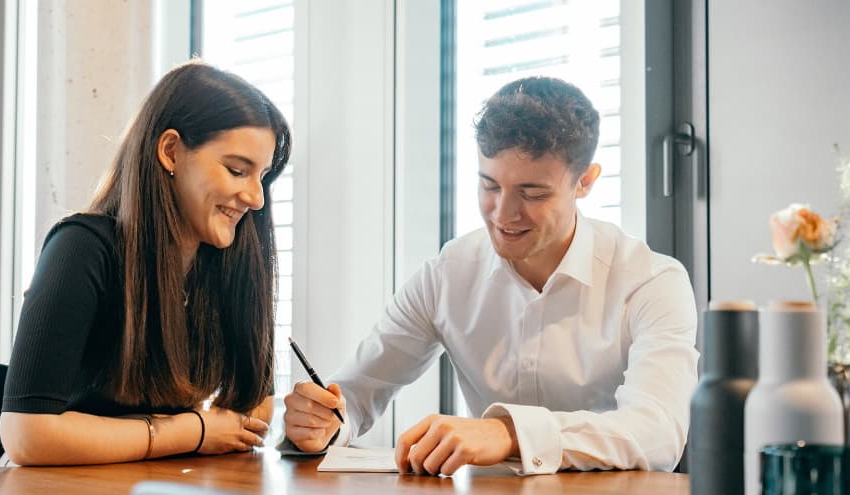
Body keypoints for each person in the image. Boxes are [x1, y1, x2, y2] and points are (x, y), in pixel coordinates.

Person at [283, 76, 699, 476]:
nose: (503, 214)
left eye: (532, 194)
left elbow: (658, 432)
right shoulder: (448, 274)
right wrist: (323, 422)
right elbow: (354, 395)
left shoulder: (652, 281)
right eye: (489, 186)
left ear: (585, 182)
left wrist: (508, 434)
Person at [0, 61, 291, 466]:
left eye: (262, 176)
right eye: (237, 170)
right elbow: (27, 435)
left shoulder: (227, 263)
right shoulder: (82, 249)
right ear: (170, 151)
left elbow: (254, 410)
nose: (256, 198)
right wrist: (193, 430)